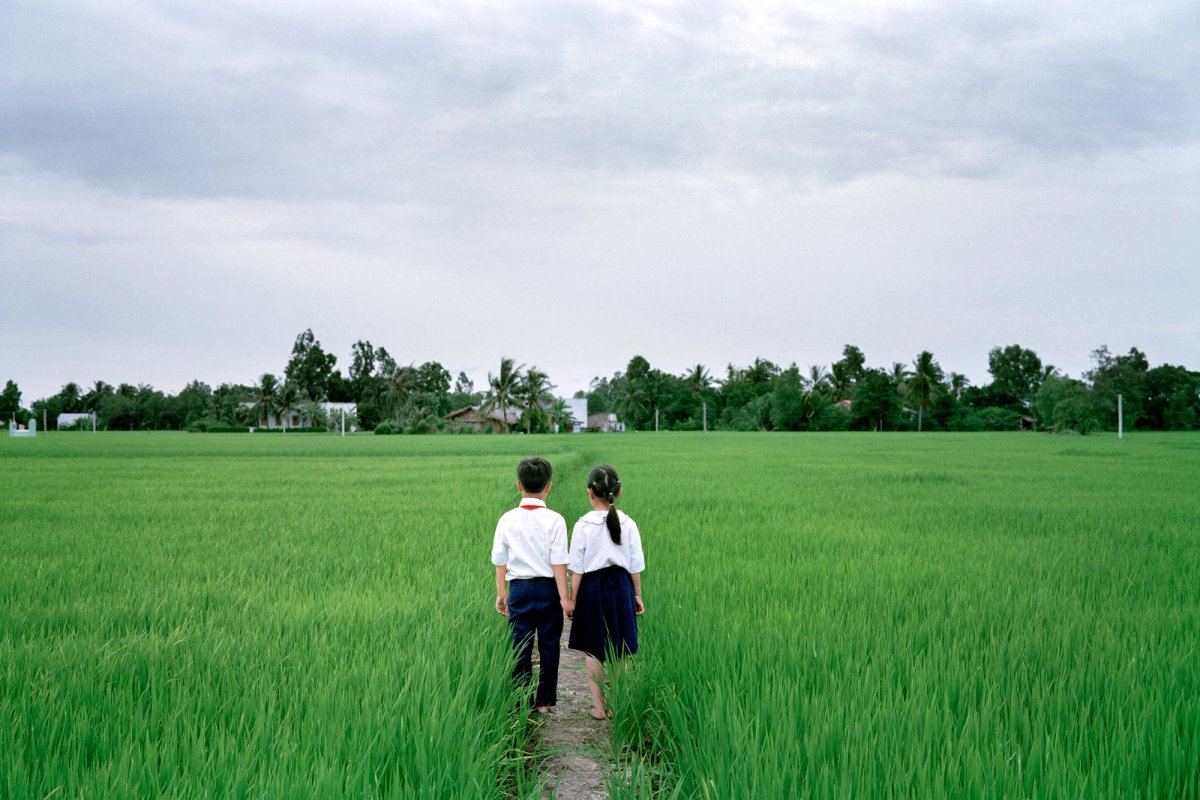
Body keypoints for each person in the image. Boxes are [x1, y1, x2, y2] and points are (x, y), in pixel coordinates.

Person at [491, 456, 573, 712]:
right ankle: (545, 702)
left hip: (519, 590)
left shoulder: (507, 519)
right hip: (548, 589)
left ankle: (522, 700)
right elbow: (559, 563)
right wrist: (565, 599)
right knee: (549, 645)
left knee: (520, 645)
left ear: (519, 485)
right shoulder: (555, 520)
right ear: (548, 486)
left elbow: (500, 562)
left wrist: (501, 594)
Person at [567, 464, 645, 720]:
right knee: (620, 648)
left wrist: (572, 599)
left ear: (590, 492)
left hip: (592, 587)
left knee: (594, 649)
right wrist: (637, 595)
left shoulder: (583, 525)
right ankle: (619, 702)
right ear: (618, 492)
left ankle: (600, 708)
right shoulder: (628, 523)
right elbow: (634, 567)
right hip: (621, 586)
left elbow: (577, 569)